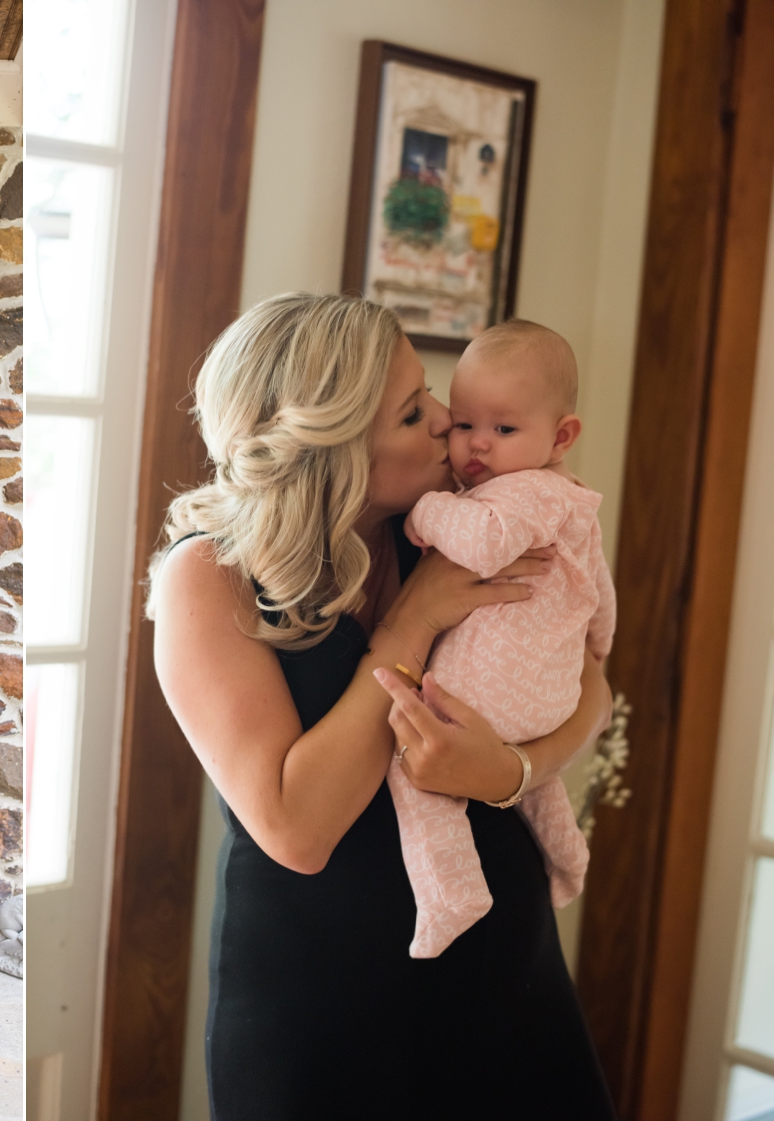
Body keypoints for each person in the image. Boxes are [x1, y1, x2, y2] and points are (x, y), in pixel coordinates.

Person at [148, 294, 616, 1119]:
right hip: (322, 1006)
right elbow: (298, 828)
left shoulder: (455, 526)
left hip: (504, 971)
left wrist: (511, 771)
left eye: (428, 392)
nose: (447, 421)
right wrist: (412, 619)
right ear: (334, 448)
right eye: (412, 412)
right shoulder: (211, 577)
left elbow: (595, 689)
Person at [391, 319, 614, 958]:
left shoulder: (520, 495)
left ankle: (451, 891)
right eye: (465, 424)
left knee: (412, 762)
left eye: (504, 429)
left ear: (561, 435)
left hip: (484, 692)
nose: (476, 446)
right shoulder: (571, 498)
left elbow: (486, 542)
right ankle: (568, 858)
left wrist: (426, 513)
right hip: (548, 697)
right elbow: (600, 589)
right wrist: (597, 645)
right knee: (537, 785)